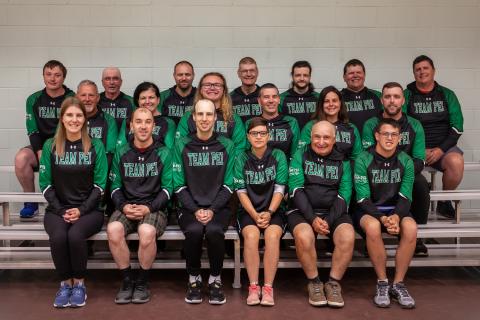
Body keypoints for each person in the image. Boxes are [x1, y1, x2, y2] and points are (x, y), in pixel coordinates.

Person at [39, 97, 108, 308]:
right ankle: (64, 284)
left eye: (79, 115)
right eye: (69, 115)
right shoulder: (51, 145)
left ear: (85, 119)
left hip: (90, 210)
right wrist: (61, 210)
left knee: (76, 235)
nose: (74, 119)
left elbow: (100, 185)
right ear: (62, 118)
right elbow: (45, 184)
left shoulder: (95, 145)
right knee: (59, 236)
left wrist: (81, 209)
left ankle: (79, 284)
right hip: (57, 210)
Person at [107, 108, 172, 304]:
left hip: (154, 207)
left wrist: (149, 208)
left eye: (147, 122)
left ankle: (142, 282)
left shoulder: (164, 152)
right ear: (131, 126)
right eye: (139, 121)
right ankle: (127, 281)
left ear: (153, 126)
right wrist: (124, 206)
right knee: (113, 229)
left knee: (146, 231)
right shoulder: (122, 152)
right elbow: (115, 186)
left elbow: (168, 188)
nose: (143, 126)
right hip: (127, 206)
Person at [173, 99, 235, 305]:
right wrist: (196, 209)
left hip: (219, 208)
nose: (204, 119)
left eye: (209, 114)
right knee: (194, 231)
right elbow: (178, 184)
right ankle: (194, 278)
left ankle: (215, 279)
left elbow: (229, 184)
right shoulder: (182, 144)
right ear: (193, 117)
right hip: (189, 207)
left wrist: (212, 209)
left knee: (214, 231)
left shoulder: (227, 145)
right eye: (200, 114)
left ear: (215, 117)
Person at [288, 121, 355, 308]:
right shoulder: (299, 155)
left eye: (326, 137)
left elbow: (344, 194)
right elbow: (296, 189)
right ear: (310, 138)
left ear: (334, 139)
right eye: (317, 137)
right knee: (303, 236)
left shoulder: (343, 161)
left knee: (348, 237)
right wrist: (312, 219)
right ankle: (315, 283)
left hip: (333, 212)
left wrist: (328, 220)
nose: (321, 141)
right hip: (302, 211)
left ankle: (333, 283)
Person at [354, 118, 417, 309]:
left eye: (394, 135)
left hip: (395, 209)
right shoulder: (363, 159)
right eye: (386, 134)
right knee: (373, 228)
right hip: (368, 209)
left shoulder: (406, 160)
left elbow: (406, 196)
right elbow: (363, 198)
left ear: (399, 138)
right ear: (377, 136)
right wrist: (382, 218)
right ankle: (382, 282)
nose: (390, 138)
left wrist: (396, 217)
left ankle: (398, 284)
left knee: (411, 228)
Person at [362, 82, 429, 256]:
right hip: (377, 171)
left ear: (403, 100)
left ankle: (417, 237)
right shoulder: (371, 124)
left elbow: (419, 160)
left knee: (421, 183)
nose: (392, 101)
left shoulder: (414, 125)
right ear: (381, 100)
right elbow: (368, 155)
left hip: (405, 171)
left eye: (396, 97)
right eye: (388, 96)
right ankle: (371, 234)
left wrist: (401, 174)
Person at [234, 117, 288, 306]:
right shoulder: (241, 157)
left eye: (262, 133)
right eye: (254, 133)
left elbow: (280, 189)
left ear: (269, 135)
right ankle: (253, 286)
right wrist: (255, 214)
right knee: (251, 236)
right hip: (249, 210)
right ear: (248, 137)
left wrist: (269, 212)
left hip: (274, 210)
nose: (258, 137)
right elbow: (240, 192)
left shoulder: (278, 155)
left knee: (273, 236)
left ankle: (268, 288)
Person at [404, 55, 464, 218]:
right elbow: (400, 124)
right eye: (418, 69)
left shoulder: (447, 94)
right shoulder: (406, 95)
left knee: (457, 162)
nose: (422, 71)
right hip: (414, 148)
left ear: (433, 71)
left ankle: (444, 203)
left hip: (443, 147)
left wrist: (440, 150)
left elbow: (457, 127)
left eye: (425, 68)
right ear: (414, 73)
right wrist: (418, 149)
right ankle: (409, 206)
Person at [15, 60, 74, 218]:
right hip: (40, 146)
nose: (52, 78)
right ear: (43, 76)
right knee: (21, 158)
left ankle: (67, 203)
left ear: (63, 78)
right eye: (48, 74)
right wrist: (40, 151)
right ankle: (30, 202)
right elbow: (32, 130)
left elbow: (74, 126)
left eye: (57, 75)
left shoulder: (71, 98)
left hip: (65, 145)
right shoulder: (33, 99)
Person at [176, 72, 246, 152]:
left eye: (217, 85)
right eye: (207, 85)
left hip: (224, 163)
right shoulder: (189, 116)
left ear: (224, 90)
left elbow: (239, 148)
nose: (212, 88)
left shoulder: (233, 118)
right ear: (201, 90)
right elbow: (180, 146)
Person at [298, 86, 362, 160]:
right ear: (321, 104)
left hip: (343, 169)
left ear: (340, 103)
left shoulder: (351, 128)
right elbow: (301, 154)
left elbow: (357, 158)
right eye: (326, 101)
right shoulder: (311, 126)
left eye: (334, 100)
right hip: (316, 169)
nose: (331, 104)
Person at [245, 83, 299, 159]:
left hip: (284, 168)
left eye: (274, 97)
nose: (271, 100)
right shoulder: (251, 123)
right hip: (257, 169)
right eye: (266, 97)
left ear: (279, 100)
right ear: (259, 101)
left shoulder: (291, 122)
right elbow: (246, 153)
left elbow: (295, 154)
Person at [118, 82, 176, 149]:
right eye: (143, 98)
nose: (147, 101)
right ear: (138, 101)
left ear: (158, 100)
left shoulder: (168, 123)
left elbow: (170, 150)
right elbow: (120, 149)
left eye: (151, 97)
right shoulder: (128, 121)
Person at [76, 80, 118, 163]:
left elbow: (110, 155)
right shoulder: (69, 119)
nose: (87, 99)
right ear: (77, 97)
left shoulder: (109, 120)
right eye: (83, 95)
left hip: (100, 170)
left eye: (91, 95)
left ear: (98, 98)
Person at [340, 59, 382, 135]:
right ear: (344, 77)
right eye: (351, 73)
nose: (355, 75)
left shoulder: (377, 96)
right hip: (347, 144)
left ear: (364, 75)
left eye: (359, 72)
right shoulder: (337, 98)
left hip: (374, 143)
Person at [279, 60, 319, 129]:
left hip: (313, 138)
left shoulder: (319, 98)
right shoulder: (281, 98)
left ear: (310, 77)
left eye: (305, 75)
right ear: (292, 76)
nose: (302, 78)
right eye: (298, 75)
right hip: (291, 139)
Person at [159, 61, 197, 125]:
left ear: (193, 75)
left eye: (187, 74)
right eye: (180, 75)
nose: (184, 78)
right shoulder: (162, 96)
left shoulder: (201, 96)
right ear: (174, 76)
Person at [230, 57, 262, 123]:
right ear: (238, 73)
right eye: (244, 71)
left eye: (252, 70)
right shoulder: (229, 98)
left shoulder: (265, 96)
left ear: (257, 72)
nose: (248, 74)